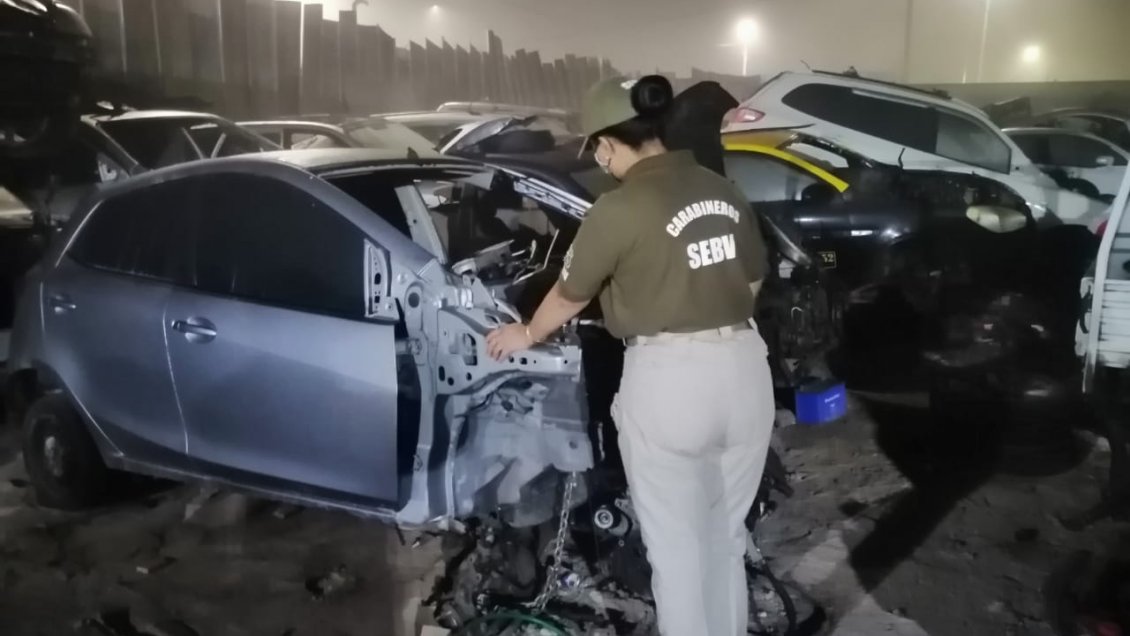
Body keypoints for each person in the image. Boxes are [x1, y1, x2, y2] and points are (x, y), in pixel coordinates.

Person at [485, 74, 776, 636]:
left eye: (598, 148)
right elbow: (754, 282)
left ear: (607, 144)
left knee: (678, 556)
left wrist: (526, 333)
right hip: (744, 371)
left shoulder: (619, 208)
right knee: (726, 540)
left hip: (670, 382)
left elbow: (571, 293)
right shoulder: (724, 191)